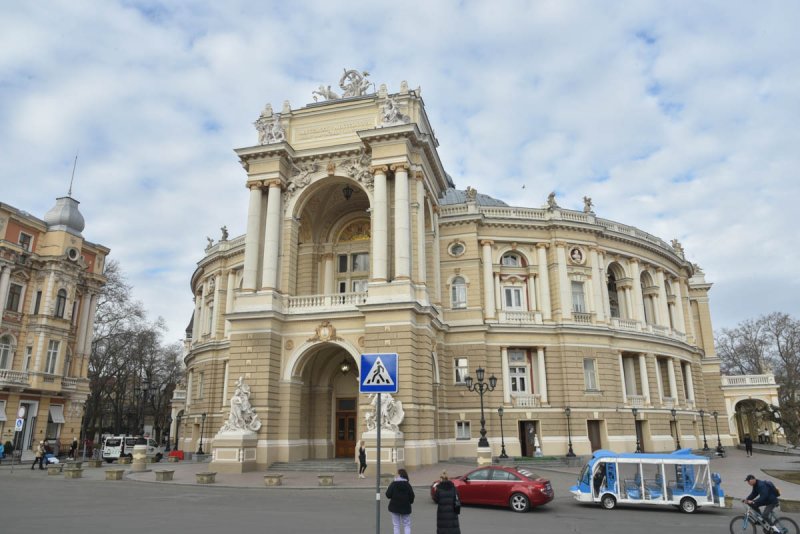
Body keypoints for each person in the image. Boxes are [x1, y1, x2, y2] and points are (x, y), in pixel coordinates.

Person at [386, 468, 414, 534]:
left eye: (397, 473)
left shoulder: (393, 484)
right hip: (405, 507)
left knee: (396, 525)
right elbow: (412, 496)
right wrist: (409, 502)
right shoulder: (407, 485)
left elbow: (388, 495)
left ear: (399, 475)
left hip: (394, 507)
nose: (396, 475)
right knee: (407, 525)